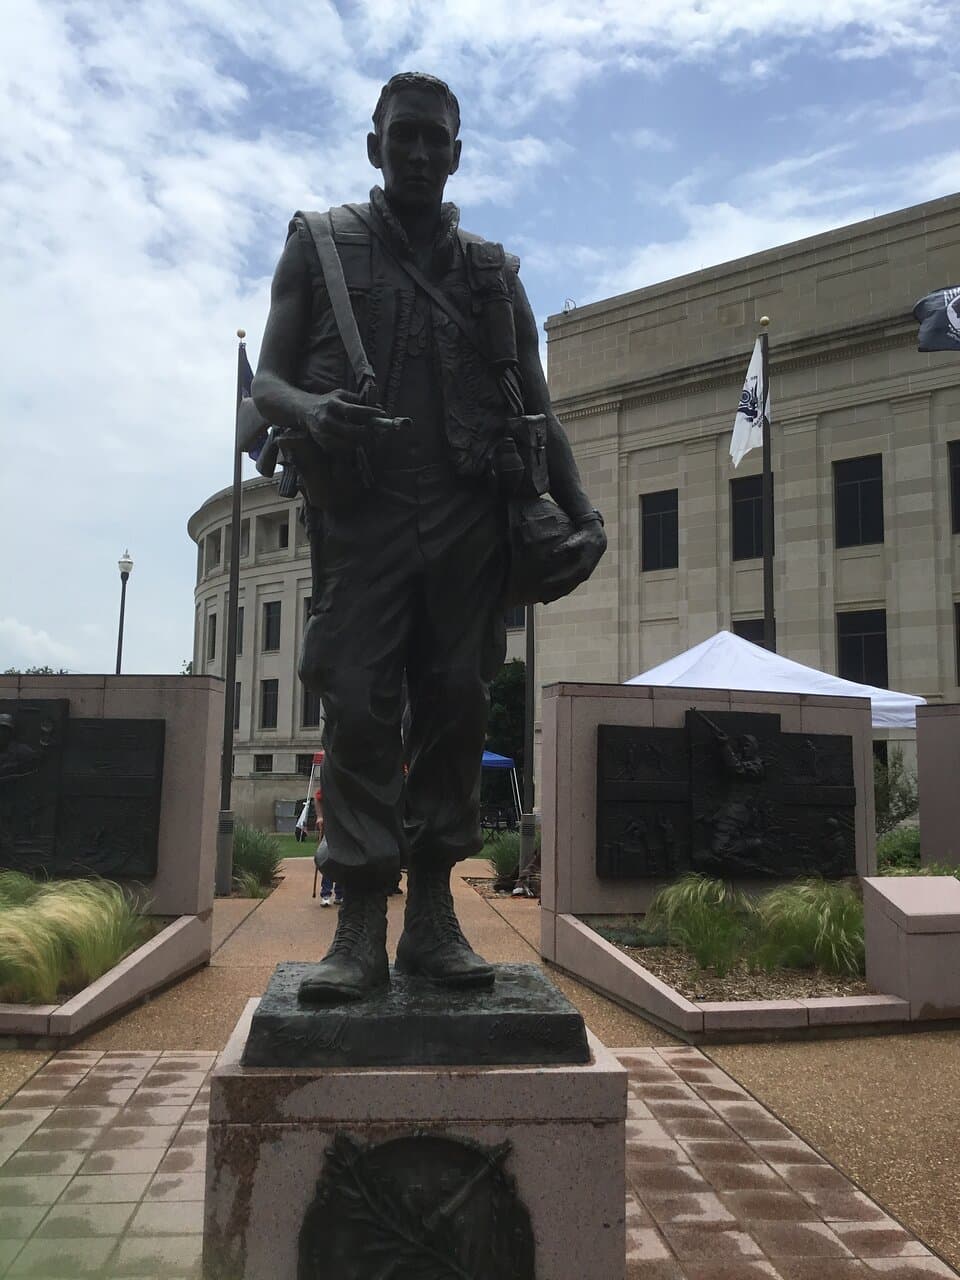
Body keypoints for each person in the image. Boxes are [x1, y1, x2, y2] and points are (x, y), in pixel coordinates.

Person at [252, 71, 605, 1003]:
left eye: (433, 139)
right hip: (363, 520)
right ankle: (358, 927)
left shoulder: (491, 272)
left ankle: (436, 920)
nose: (417, 152)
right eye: (402, 135)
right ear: (375, 146)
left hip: (466, 521)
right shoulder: (319, 245)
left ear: (456, 154)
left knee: (455, 706)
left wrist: (585, 514)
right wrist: (313, 412)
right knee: (358, 707)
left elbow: (536, 405)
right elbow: (267, 384)